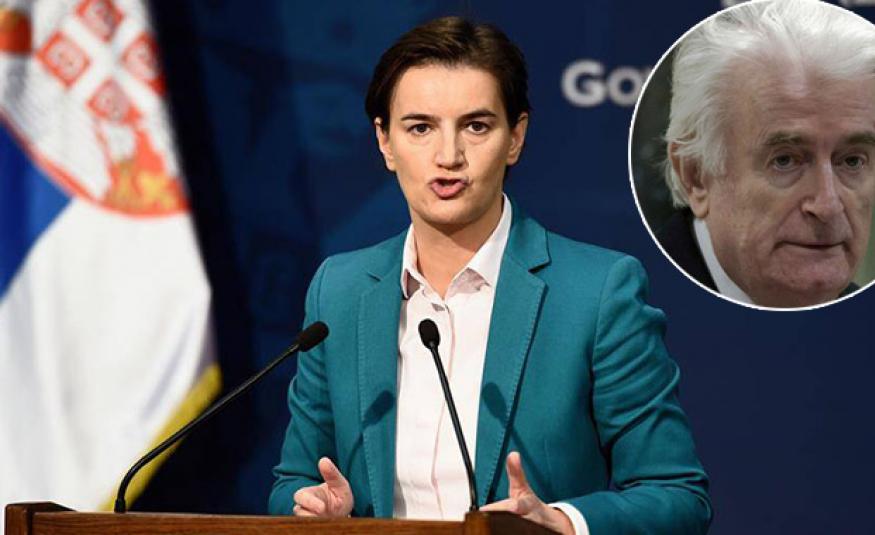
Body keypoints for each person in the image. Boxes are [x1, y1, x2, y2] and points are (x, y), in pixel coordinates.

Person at [270, 16, 711, 535]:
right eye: (420, 128)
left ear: (515, 137)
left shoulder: (596, 293)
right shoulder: (339, 292)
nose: (448, 157)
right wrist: (318, 510)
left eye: (476, 126)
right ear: (384, 141)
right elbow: (294, 481)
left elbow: (676, 496)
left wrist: (561, 522)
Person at [660, 0, 875, 308]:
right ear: (696, 175)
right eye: (784, 160)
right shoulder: (631, 306)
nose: (828, 206)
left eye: (852, 161)